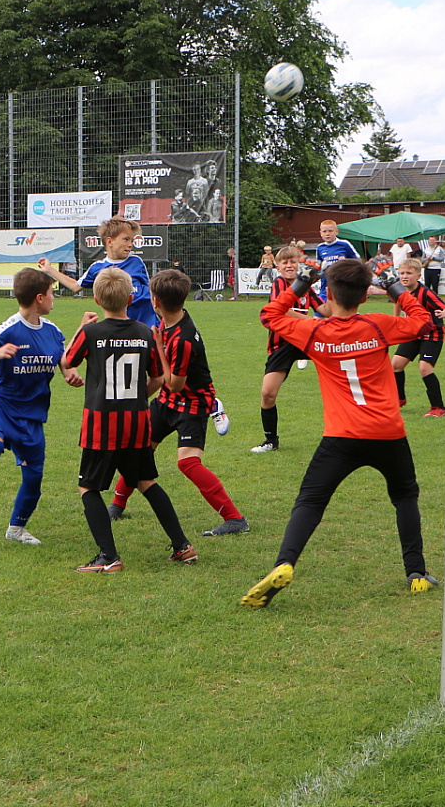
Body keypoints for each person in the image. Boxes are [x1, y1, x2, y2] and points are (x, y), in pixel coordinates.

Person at [239, 258, 440, 609]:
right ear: (365, 296)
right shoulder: (377, 324)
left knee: (310, 502)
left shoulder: (315, 331)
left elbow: (269, 315)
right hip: (388, 433)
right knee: (404, 497)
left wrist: (301, 284)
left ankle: (284, 563)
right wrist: (395, 286)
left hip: (341, 436)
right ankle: (416, 573)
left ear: (329, 294)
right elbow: (424, 321)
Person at [62, 267, 196, 572]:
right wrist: (137, 397)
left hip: (101, 424)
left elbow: (67, 360)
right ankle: (182, 546)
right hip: (136, 422)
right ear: (132, 298)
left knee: (88, 487)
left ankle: (108, 557)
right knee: (145, 481)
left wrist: (80, 327)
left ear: (97, 300)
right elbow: (158, 378)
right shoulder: (145, 332)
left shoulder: (91, 333)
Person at [106, 268, 246, 537]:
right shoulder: (168, 321)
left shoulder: (183, 339)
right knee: (138, 449)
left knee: (188, 463)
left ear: (155, 301)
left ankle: (234, 519)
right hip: (167, 401)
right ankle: (117, 505)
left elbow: (174, 383)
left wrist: (158, 347)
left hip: (192, 403)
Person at [0, 268, 81, 545]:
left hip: (32, 415)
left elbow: (62, 359)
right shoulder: (9, 329)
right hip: (1, 405)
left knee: (33, 478)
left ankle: (16, 529)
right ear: (39, 298)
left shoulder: (52, 331)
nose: (54, 298)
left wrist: (69, 373)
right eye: (51, 293)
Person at [253, 245, 330, 454]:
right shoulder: (279, 284)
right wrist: (311, 320)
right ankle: (271, 441)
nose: (289, 265)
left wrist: (334, 287)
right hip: (283, 343)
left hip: (305, 341)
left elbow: (325, 310)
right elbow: (282, 310)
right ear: (278, 267)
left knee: (338, 376)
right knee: (268, 393)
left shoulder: (307, 287)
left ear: (300, 264)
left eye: (293, 261)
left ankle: (349, 430)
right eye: (285, 262)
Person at [38, 216, 156, 326]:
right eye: (126, 239)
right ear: (109, 241)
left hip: (148, 327)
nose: (130, 244)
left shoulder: (137, 262)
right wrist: (50, 270)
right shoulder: (97, 268)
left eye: (132, 240)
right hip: (122, 329)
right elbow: (75, 286)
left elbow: (151, 292)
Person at [390, 259, 445, 417]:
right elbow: (397, 302)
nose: (404, 276)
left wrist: (444, 313)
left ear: (418, 275)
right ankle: (399, 399)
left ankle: (439, 407)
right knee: (396, 364)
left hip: (432, 334)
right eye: (402, 273)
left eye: (409, 273)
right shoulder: (399, 291)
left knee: (424, 368)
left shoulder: (425, 293)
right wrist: (396, 321)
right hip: (413, 332)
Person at [315, 220, 361, 293]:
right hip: (326, 284)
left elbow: (359, 261)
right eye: (324, 231)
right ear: (320, 233)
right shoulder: (320, 247)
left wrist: (345, 262)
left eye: (330, 231)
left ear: (336, 232)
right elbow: (318, 266)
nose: (327, 234)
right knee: (322, 300)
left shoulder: (344, 244)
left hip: (342, 282)